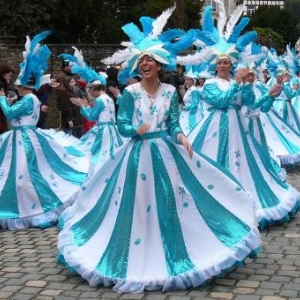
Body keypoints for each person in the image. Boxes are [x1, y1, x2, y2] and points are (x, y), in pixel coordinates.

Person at [57, 6, 260, 294]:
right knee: (138, 202)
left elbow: (175, 123)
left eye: (150, 59)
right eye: (142, 60)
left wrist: (181, 137)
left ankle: (174, 244)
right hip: (137, 155)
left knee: (172, 198)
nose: (145, 64)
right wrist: (133, 130)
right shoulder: (129, 93)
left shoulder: (168, 92)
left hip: (166, 153)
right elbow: (122, 123)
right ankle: (139, 250)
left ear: (160, 64)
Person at [186, 2, 300, 229]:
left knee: (243, 166)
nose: (222, 65)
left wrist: (272, 92)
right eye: (219, 62)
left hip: (240, 129)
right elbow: (220, 101)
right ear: (214, 65)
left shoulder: (238, 83)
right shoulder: (209, 84)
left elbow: (255, 106)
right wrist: (238, 83)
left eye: (226, 61)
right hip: (215, 130)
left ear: (231, 64)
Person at [0, 31, 91, 230]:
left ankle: (30, 206)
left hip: (22, 139)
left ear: (23, 85)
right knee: (29, 172)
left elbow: (8, 113)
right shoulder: (31, 99)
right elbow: (18, 112)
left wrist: (0, 98)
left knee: (24, 173)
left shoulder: (28, 99)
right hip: (27, 136)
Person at [0, 64, 14, 133]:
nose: (9, 78)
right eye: (9, 75)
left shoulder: (3, 82)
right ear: (3, 74)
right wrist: (5, 99)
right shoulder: (1, 83)